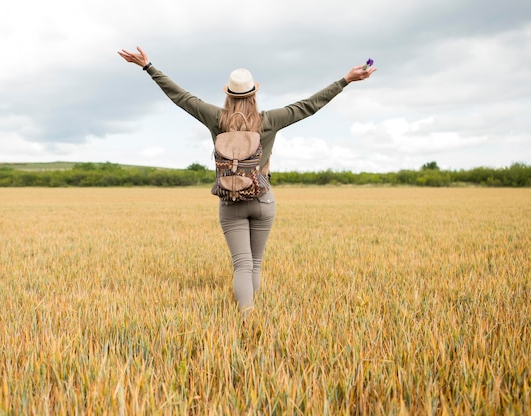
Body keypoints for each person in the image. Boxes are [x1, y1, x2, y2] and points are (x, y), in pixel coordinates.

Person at [118, 45, 376, 317]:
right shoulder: (269, 120)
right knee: (255, 262)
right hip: (263, 199)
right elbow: (309, 106)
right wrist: (345, 81)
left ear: (228, 95)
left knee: (241, 264)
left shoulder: (216, 118)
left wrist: (149, 68)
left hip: (230, 201)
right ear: (254, 94)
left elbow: (181, 97)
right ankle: (254, 321)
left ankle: (246, 317)